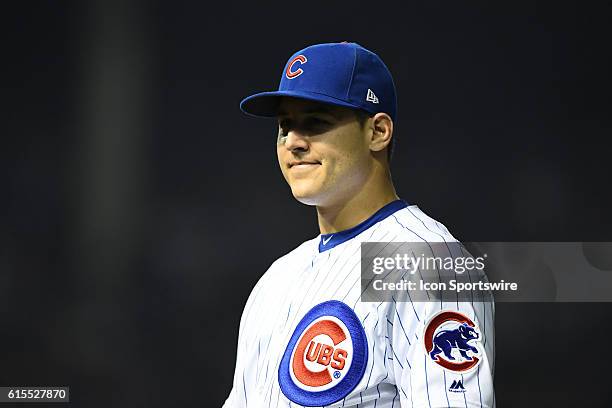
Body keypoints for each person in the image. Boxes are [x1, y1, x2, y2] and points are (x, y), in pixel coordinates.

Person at [223, 42, 495, 408]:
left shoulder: (429, 261)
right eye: (285, 126)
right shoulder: (276, 279)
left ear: (378, 132)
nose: (294, 143)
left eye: (316, 123)